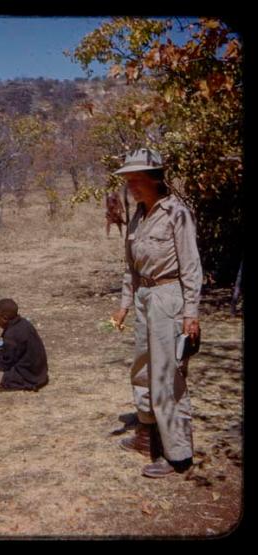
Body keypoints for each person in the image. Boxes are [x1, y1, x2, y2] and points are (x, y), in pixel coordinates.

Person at [110, 147, 202, 479]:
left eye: (136, 180)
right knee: (143, 368)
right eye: (128, 180)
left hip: (169, 296)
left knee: (168, 375)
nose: (131, 186)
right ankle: (146, 433)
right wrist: (123, 305)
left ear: (154, 179)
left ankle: (178, 455)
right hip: (144, 297)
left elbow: (191, 266)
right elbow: (130, 267)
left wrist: (191, 312)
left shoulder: (177, 213)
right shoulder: (138, 214)